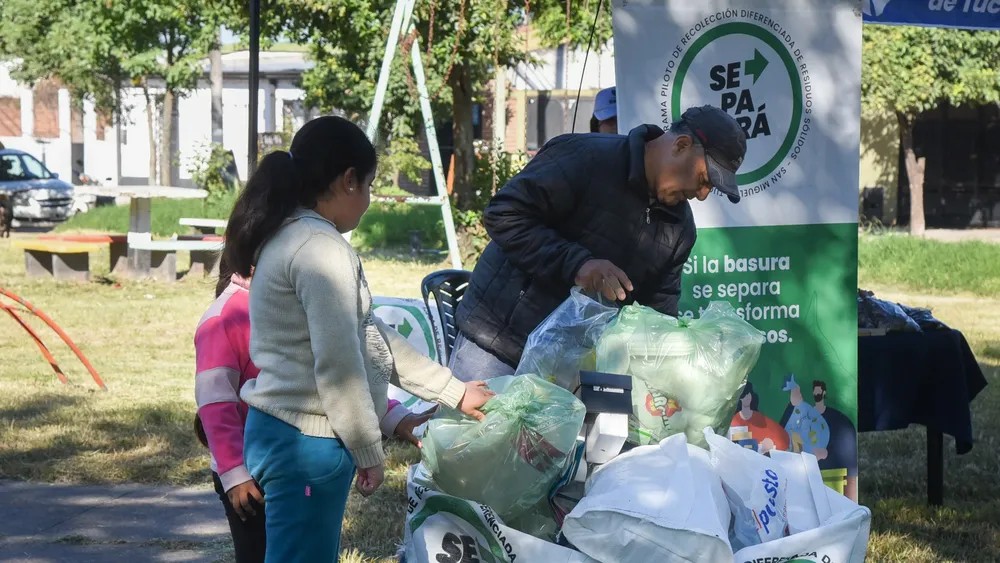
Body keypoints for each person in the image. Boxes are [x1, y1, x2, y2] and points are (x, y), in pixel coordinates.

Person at [224, 115, 494, 562]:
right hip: (306, 442)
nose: (369, 200)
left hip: (282, 433)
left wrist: (454, 391)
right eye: (368, 186)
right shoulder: (321, 250)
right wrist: (368, 448)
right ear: (347, 180)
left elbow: (371, 335)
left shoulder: (290, 235)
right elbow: (339, 363)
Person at [451, 105, 748, 379]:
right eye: (703, 179)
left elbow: (658, 313)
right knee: (472, 438)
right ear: (681, 145)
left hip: (569, 371)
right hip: (495, 342)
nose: (703, 194)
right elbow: (503, 214)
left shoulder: (681, 230)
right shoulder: (585, 156)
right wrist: (578, 264)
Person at [193, 258, 436, 563]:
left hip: (295, 465)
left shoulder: (297, 306)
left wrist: (395, 418)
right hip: (248, 478)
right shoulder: (224, 318)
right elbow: (214, 402)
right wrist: (234, 473)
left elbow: (334, 378)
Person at [811, 380, 859, 501]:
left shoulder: (838, 420)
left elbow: (849, 468)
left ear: (824, 392)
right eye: (815, 390)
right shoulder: (806, 416)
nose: (817, 393)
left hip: (832, 477)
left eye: (819, 390)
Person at [729, 382, 790, 454]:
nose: (747, 398)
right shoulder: (736, 421)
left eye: (748, 394)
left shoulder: (757, 417)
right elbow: (742, 439)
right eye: (744, 396)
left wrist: (770, 442)